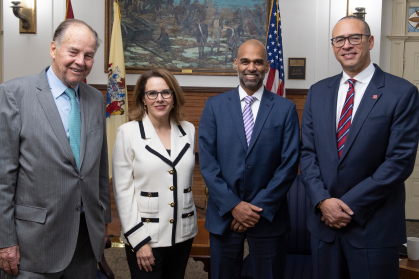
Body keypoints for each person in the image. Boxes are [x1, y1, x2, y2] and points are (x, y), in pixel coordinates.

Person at [300, 16, 419, 279]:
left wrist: (345, 206)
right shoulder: (317, 92)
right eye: (339, 39)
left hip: (374, 228)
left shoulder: (402, 93)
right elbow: (307, 154)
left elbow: (399, 162)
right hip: (324, 227)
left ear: (370, 41)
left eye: (355, 38)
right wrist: (323, 201)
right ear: (333, 46)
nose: (347, 45)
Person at [0, 19, 111, 278]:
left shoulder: (96, 99)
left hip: (84, 243)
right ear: (53, 49)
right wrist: (5, 240)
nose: (80, 62)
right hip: (33, 246)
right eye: (73, 52)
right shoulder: (14, 94)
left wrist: (102, 222)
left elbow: (98, 170)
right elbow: (3, 177)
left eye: (88, 55)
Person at [198, 39, 300, 279]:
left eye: (258, 62)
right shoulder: (214, 106)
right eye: (245, 61)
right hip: (224, 215)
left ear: (266, 66)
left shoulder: (285, 109)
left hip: (267, 217)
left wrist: (254, 210)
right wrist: (234, 206)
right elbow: (208, 163)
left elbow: (288, 165)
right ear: (236, 64)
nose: (251, 67)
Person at [112, 69, 198, 279]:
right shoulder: (128, 133)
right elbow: (123, 192)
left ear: (174, 97)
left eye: (166, 93)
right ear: (143, 98)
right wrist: (139, 240)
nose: (159, 99)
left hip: (183, 231)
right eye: (152, 93)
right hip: (145, 234)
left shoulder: (188, 130)